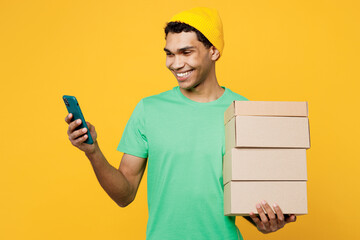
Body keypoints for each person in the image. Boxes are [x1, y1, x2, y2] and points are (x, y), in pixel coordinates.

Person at [65, 7, 296, 240]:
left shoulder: (243, 111)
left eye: (186, 52)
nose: (175, 64)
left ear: (213, 51)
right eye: (170, 54)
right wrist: (92, 152)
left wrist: (265, 220)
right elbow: (124, 195)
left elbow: (247, 194)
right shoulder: (149, 110)